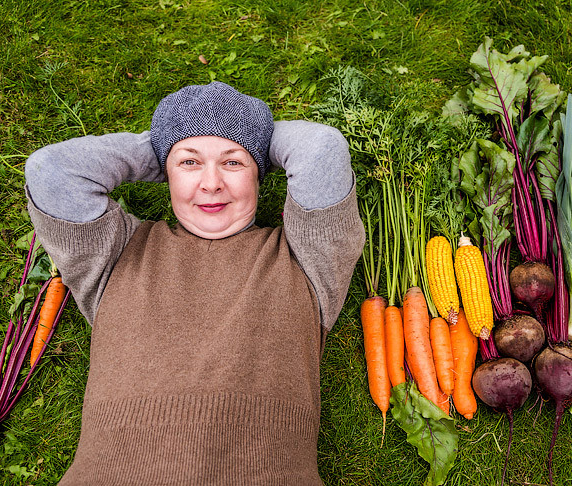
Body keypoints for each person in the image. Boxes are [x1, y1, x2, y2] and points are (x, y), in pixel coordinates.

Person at [24, 81, 365, 485]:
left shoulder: (308, 260)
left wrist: (250, 139)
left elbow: (321, 150)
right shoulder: (115, 253)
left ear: (261, 174)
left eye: (233, 164)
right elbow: (53, 171)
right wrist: (164, 148)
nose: (211, 183)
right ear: (164, 174)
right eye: (189, 165)